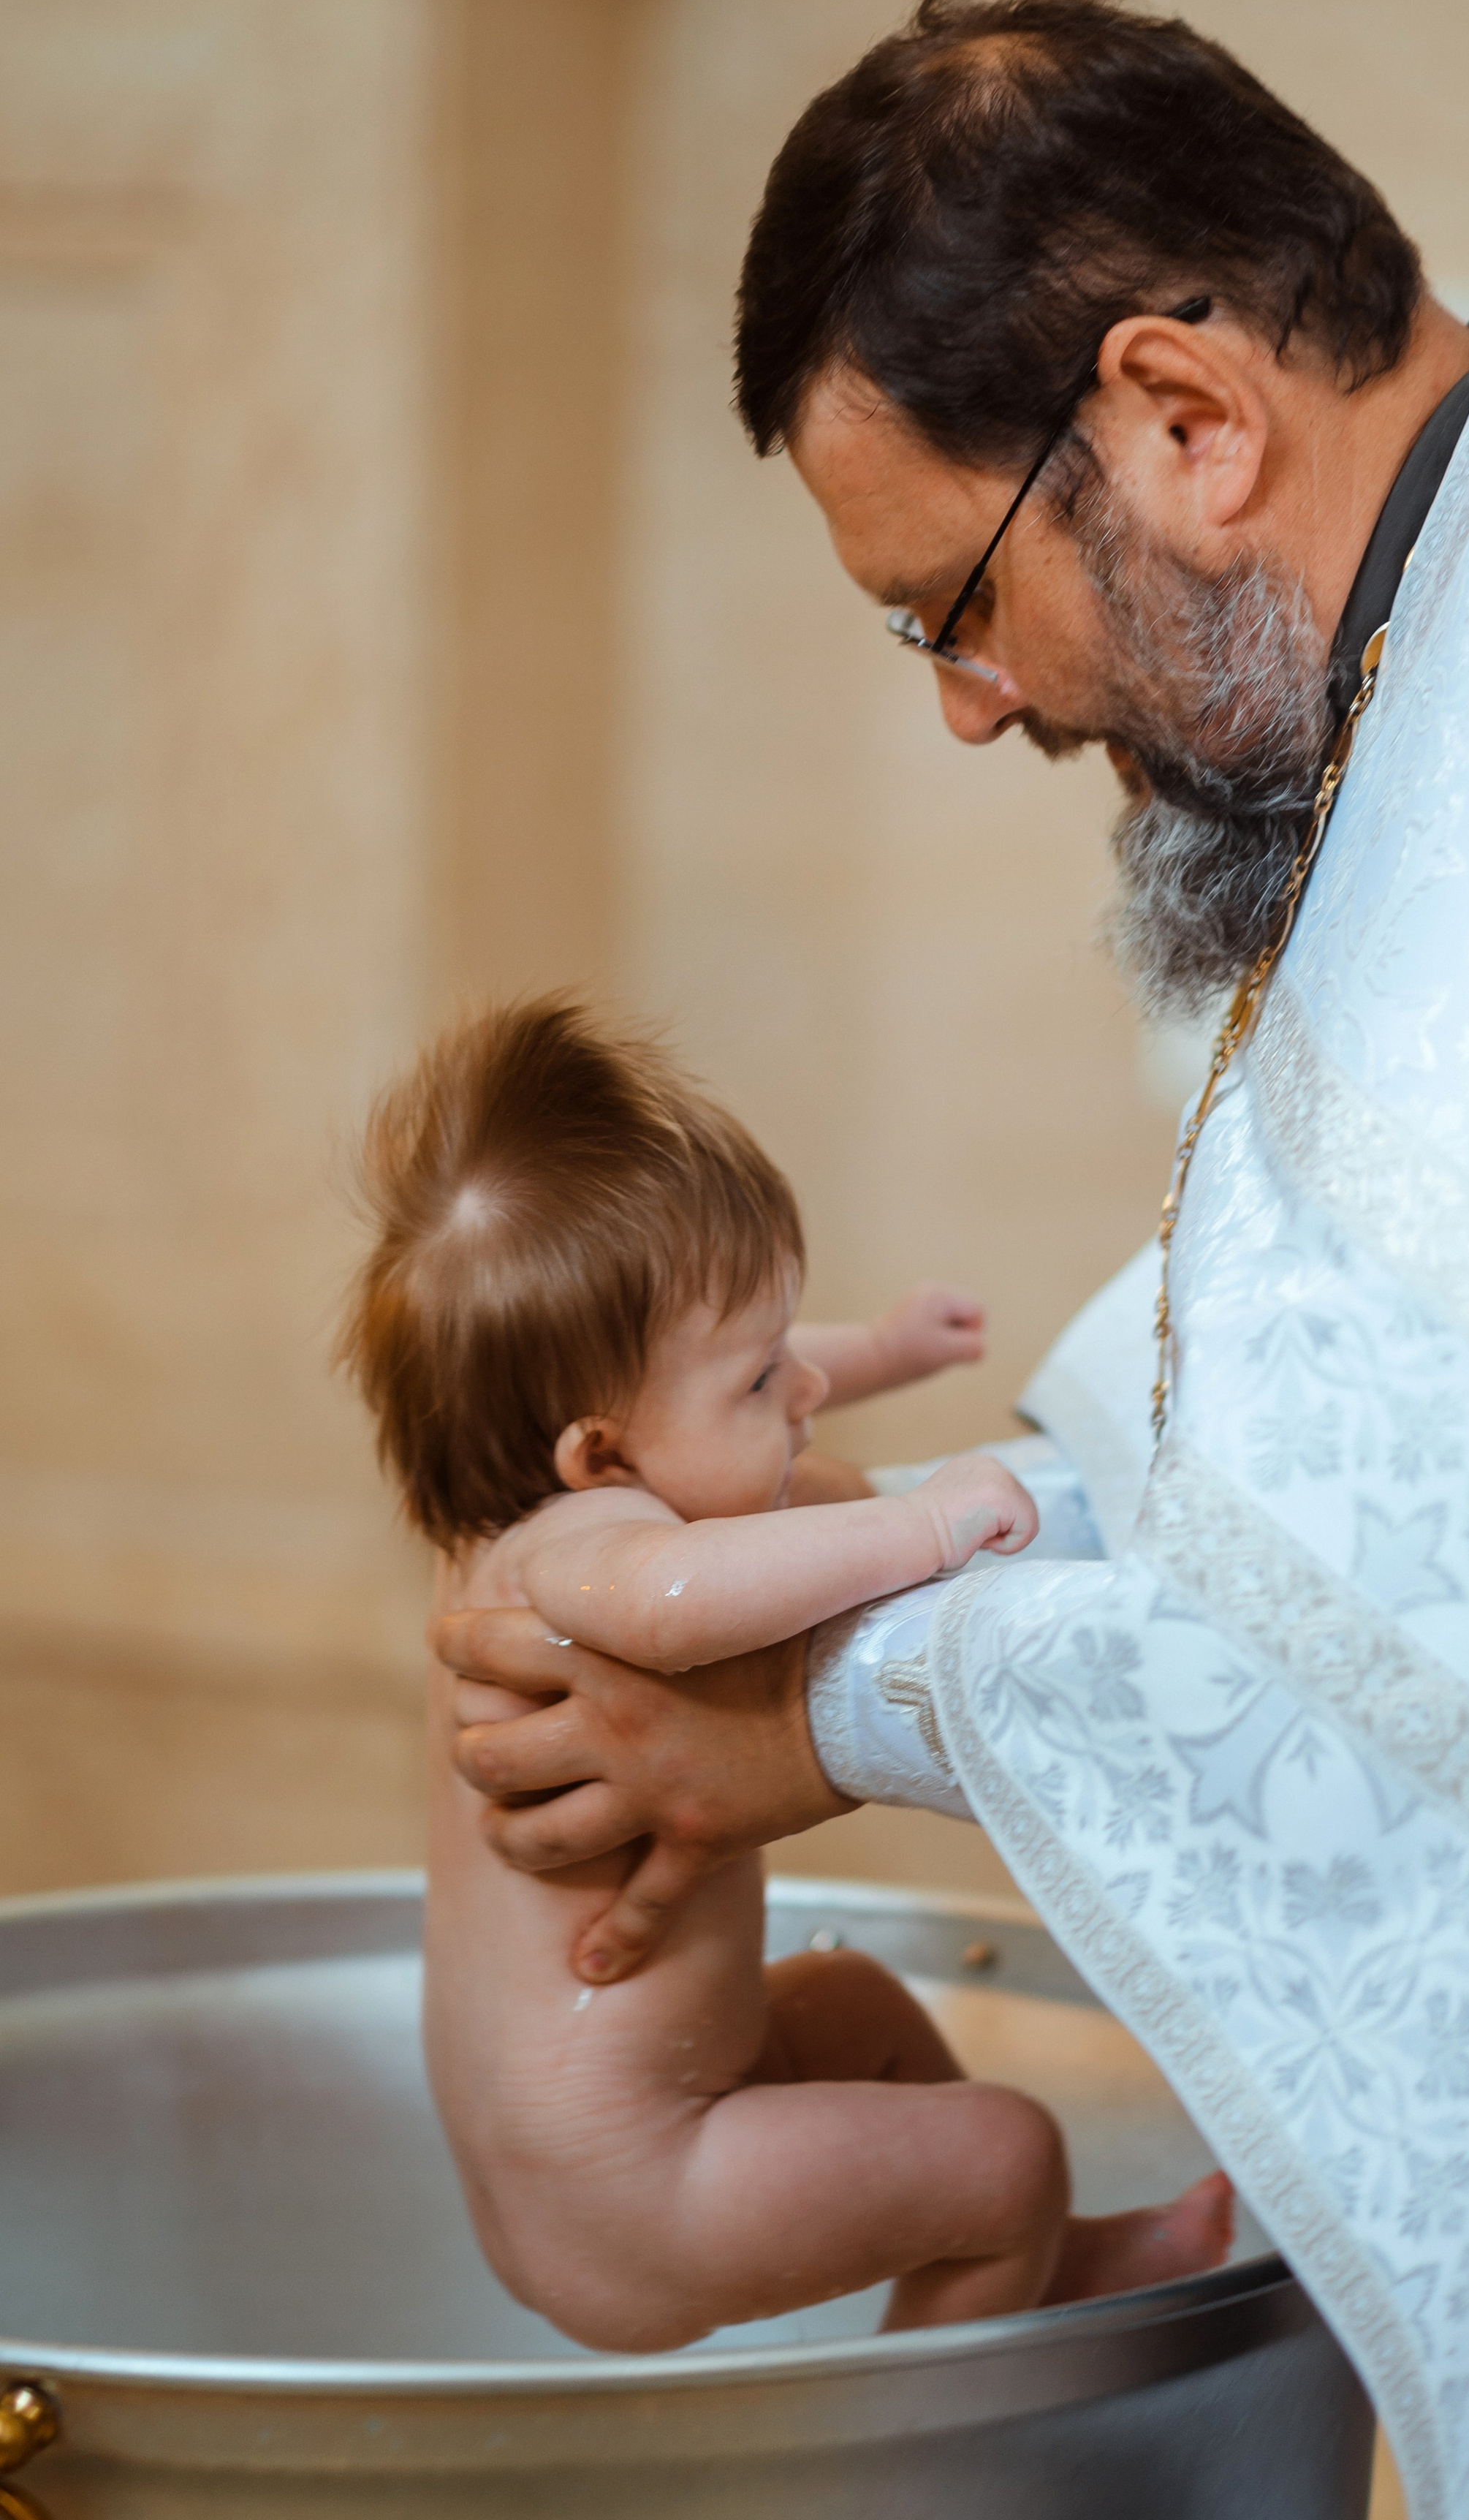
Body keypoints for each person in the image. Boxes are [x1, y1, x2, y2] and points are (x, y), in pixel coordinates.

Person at [433, 0, 1469, 2516]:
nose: (973, 707)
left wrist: (818, 1706)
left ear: (1187, 422)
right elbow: (1404, 1453)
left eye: (952, 604)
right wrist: (816, 1574)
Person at [343, 998, 1229, 2349]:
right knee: (1006, 2154)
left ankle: (1027, 2271)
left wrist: (883, 1347)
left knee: (862, 2010)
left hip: (618, 2141)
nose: (802, 1394)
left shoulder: (548, 1509)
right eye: (765, 1378)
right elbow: (687, 1599)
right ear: (600, 1456)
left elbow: (729, 1389)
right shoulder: (591, 1555)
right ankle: (930, 2461)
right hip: (633, 2186)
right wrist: (919, 1528)